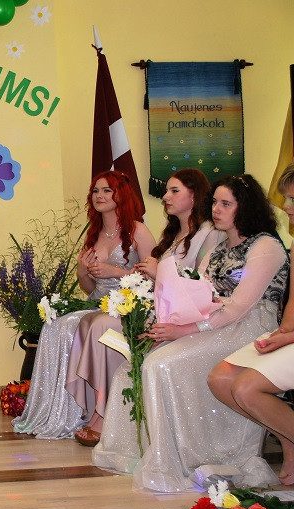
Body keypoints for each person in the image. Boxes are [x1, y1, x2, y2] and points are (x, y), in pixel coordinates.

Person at [93, 174, 289, 492]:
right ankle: (148, 452)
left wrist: (182, 330)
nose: (216, 209)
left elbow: (239, 307)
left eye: (226, 204)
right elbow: (198, 294)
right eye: (215, 202)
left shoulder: (265, 245)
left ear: (246, 207)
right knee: (135, 366)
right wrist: (164, 325)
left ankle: (191, 456)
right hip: (214, 323)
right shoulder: (220, 248)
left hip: (250, 329)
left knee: (161, 364)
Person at [69, 169, 223, 446]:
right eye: (166, 191)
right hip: (156, 307)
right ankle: (97, 408)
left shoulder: (207, 235)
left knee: (102, 325)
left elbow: (203, 284)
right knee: (90, 321)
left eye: (174, 191)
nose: (165, 197)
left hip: (176, 316)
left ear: (194, 195)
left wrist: (156, 272)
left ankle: (105, 415)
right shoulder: (173, 234)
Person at [12, 170, 155, 439]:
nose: (99, 195)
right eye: (95, 191)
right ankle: (63, 412)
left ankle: (99, 412)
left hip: (128, 307)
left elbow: (152, 280)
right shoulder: (95, 233)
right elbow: (89, 288)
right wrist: (82, 271)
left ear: (121, 194)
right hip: (97, 303)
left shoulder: (138, 230)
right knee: (56, 326)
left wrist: (115, 272)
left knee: (87, 326)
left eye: (107, 190)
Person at [209, 163, 294, 486]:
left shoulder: (266, 245)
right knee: (220, 379)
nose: (285, 206)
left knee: (245, 387)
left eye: (292, 199)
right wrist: (283, 333)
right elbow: (292, 306)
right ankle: (288, 440)